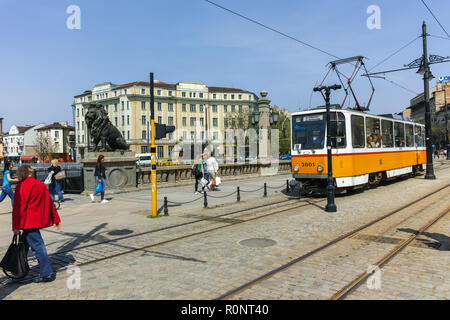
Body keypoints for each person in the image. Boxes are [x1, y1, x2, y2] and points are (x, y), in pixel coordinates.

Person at [12, 165, 61, 283]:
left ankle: (46, 273)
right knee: (23, 246)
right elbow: (50, 203)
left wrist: (16, 226)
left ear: (21, 173)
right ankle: (18, 270)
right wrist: (56, 219)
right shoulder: (40, 184)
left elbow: (18, 208)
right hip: (35, 221)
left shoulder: (21, 185)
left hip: (27, 222)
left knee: (38, 247)